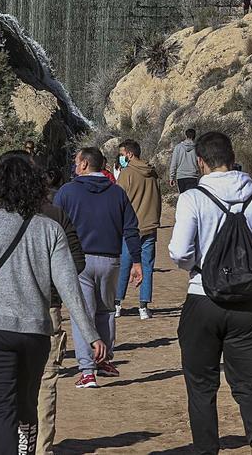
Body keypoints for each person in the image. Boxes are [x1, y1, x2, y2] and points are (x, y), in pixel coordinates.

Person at [0, 154, 106, 455]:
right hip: (36, 331)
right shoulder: (50, 229)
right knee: (28, 407)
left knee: (1, 411)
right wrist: (91, 333)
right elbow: (69, 287)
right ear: (35, 187)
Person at [168, 131, 252, 455]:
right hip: (247, 303)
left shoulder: (193, 198)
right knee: (249, 381)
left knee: (201, 385)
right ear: (232, 155)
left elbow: (180, 253)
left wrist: (204, 265)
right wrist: (250, 264)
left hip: (203, 298)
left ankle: (207, 449)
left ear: (200, 162)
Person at [53, 147, 141, 389]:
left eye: (75, 160)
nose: (73, 165)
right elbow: (131, 228)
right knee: (106, 311)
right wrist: (136, 260)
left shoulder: (67, 192)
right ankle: (104, 360)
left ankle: (87, 369)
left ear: (83, 165)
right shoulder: (117, 193)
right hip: (111, 260)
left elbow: (53, 225)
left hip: (78, 261)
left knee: (83, 315)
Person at [115, 139, 162, 320]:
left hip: (130, 227)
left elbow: (117, 199)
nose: (120, 157)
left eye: (121, 154)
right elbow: (158, 198)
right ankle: (143, 307)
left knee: (124, 265)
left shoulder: (126, 174)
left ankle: (117, 304)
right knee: (147, 266)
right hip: (149, 225)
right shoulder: (152, 173)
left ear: (129, 154)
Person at [169, 129, 201, 193]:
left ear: (185, 135)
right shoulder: (197, 148)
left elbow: (174, 163)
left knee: (183, 197)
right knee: (192, 198)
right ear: (194, 136)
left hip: (181, 177)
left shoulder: (178, 147)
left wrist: (172, 177)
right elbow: (200, 163)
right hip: (193, 176)